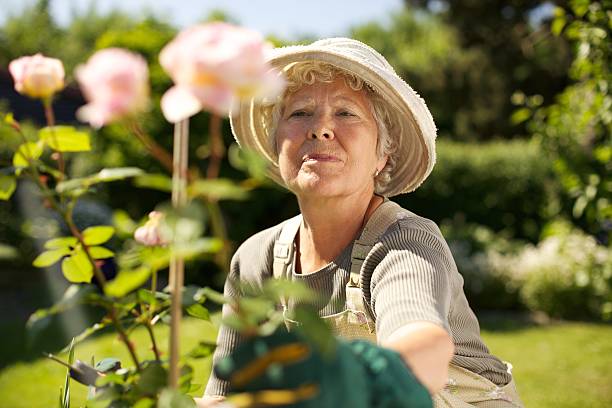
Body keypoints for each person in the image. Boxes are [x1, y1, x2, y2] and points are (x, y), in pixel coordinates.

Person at [197, 38, 524, 407]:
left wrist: (360, 375)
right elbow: (225, 397)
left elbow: (422, 349)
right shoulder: (257, 258)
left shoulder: (403, 241)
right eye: (300, 113)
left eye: (346, 113)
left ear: (382, 156)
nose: (320, 128)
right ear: (277, 146)